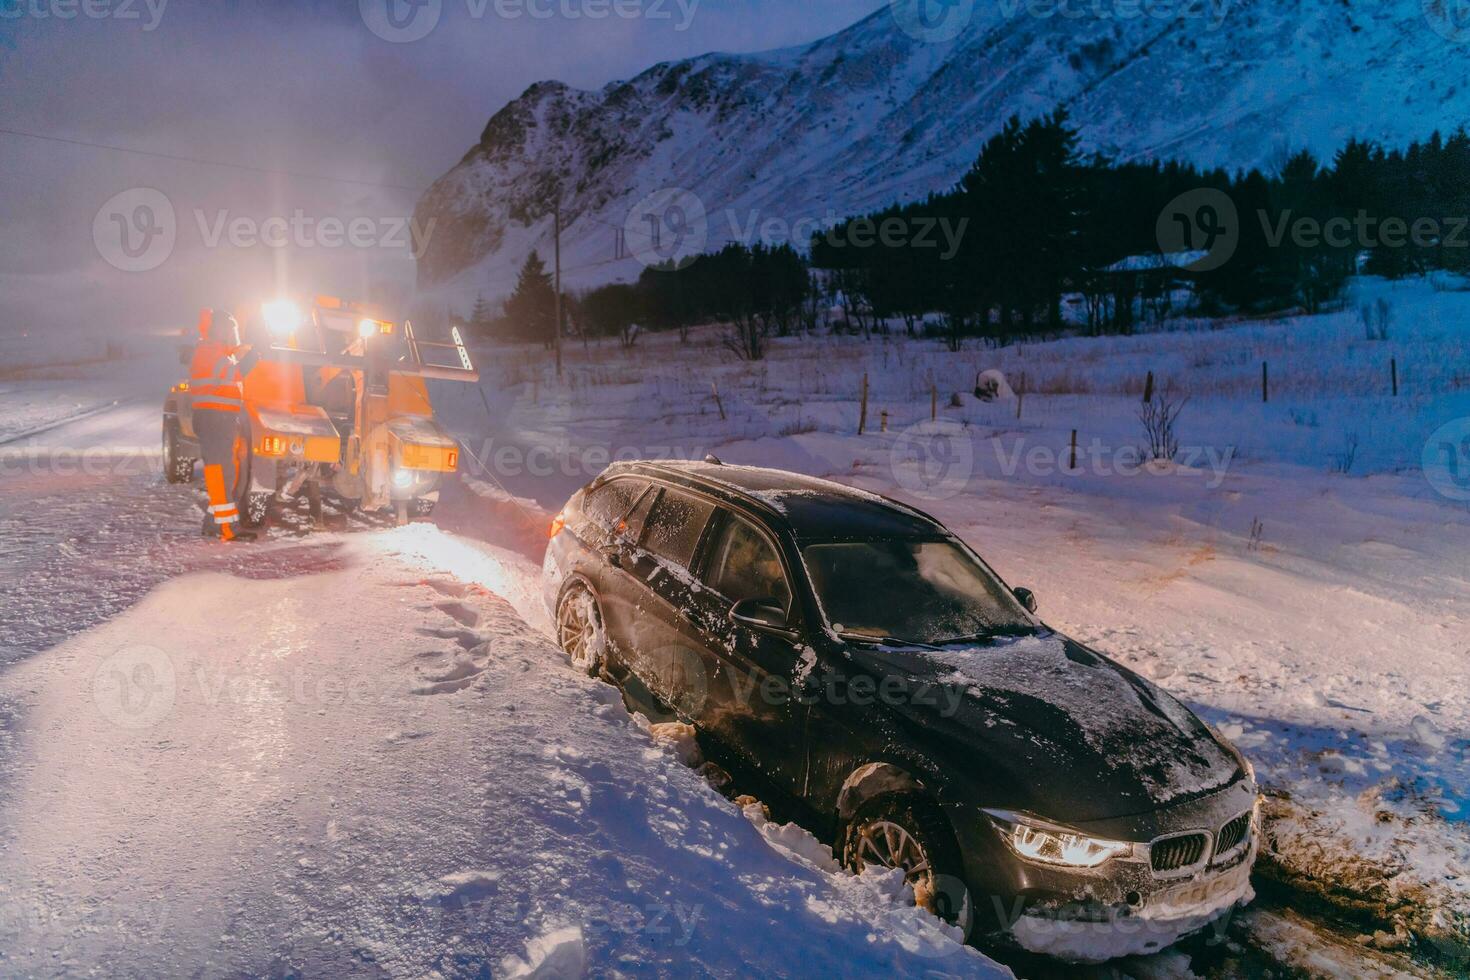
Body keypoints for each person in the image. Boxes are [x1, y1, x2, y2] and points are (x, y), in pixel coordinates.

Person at [188, 309, 260, 542]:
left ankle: (213, 523)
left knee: (222, 473)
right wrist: (255, 355)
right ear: (220, 330)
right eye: (231, 329)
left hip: (217, 418)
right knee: (221, 474)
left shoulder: (216, 352)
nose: (233, 334)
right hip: (213, 418)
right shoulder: (210, 352)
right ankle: (226, 527)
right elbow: (235, 374)